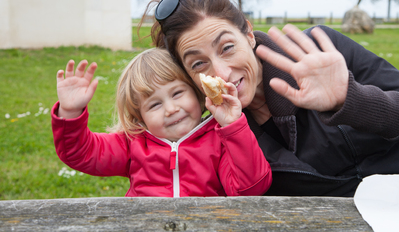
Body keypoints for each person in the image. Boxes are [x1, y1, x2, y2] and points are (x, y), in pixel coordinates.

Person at [140, 0, 399, 197]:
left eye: (227, 47)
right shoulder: (213, 130)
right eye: (198, 63)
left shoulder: (322, 51)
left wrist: (350, 99)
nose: (221, 72)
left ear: (248, 33)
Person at [51, 48, 272, 197]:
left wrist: (234, 127)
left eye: (177, 93)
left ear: (197, 93)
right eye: (154, 105)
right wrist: (70, 112)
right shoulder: (132, 144)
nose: (171, 109)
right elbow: (81, 152)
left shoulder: (220, 139)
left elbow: (251, 187)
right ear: (140, 117)